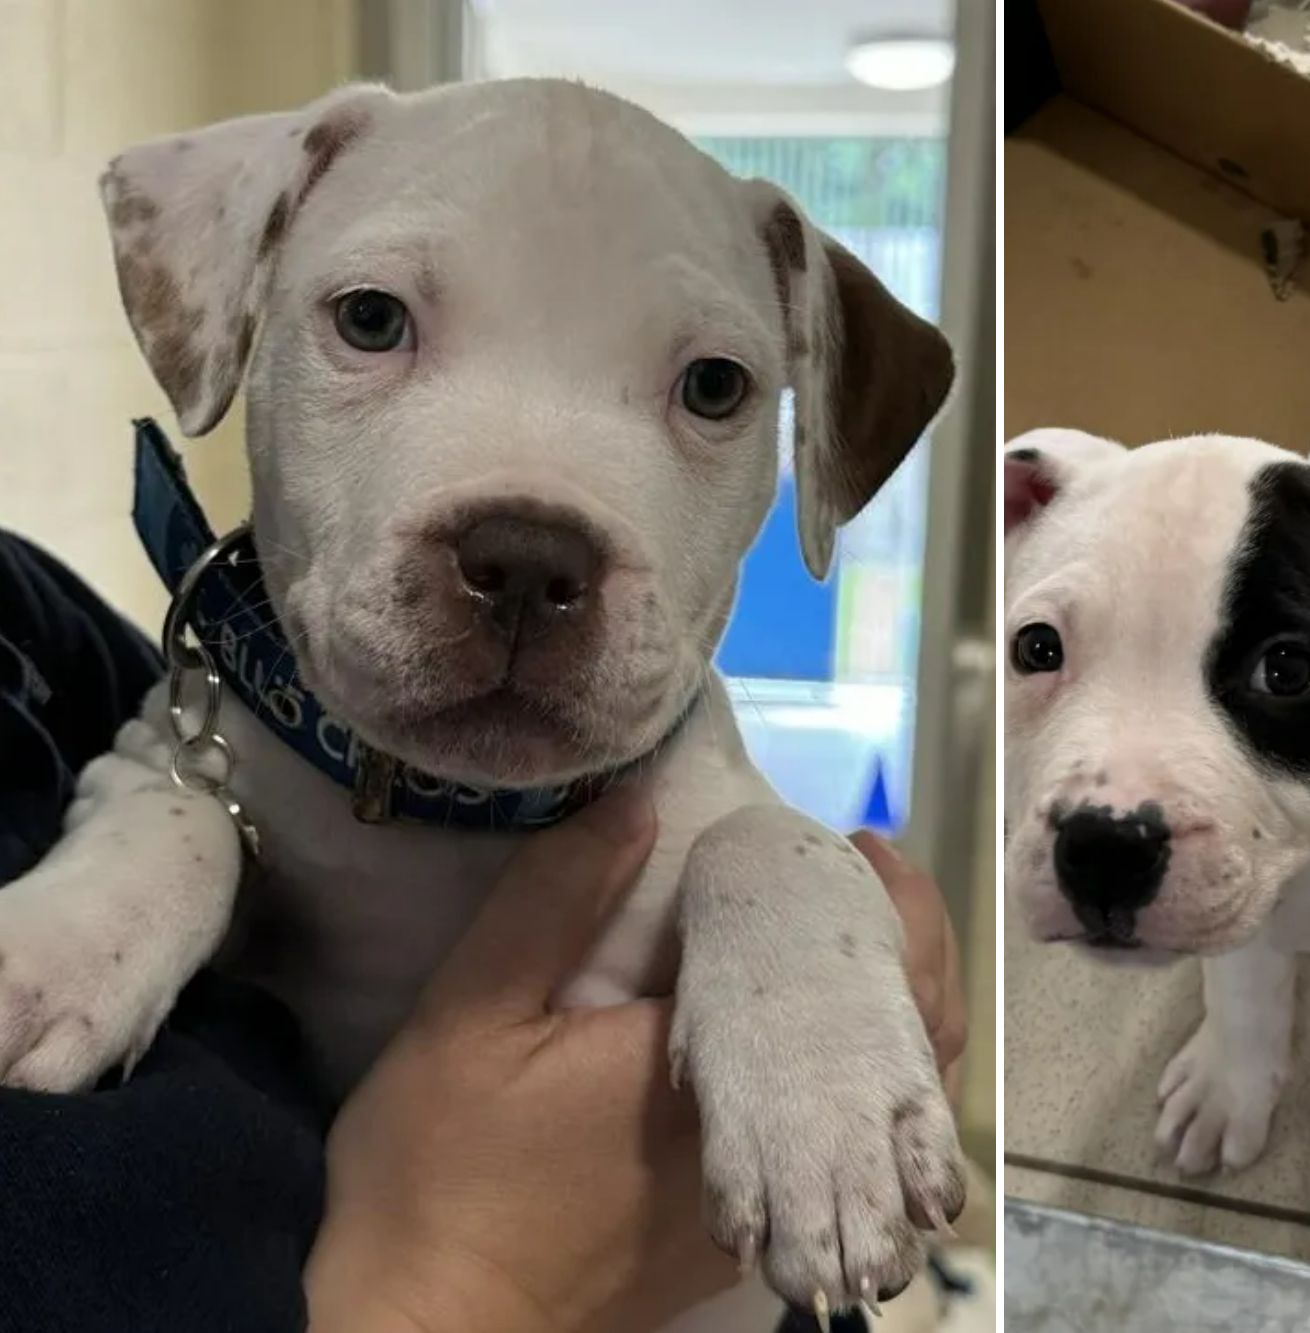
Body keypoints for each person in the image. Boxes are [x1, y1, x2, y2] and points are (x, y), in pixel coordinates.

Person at [0, 530, 965, 1333]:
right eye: (373, 323)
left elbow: (186, 765)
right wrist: (467, 1286)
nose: (528, 554)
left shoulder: (41, 628)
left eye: (709, 387)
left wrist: (804, 935)